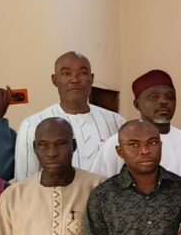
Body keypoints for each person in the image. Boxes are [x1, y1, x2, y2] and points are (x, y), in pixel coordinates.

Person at [16, 51, 126, 179]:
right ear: (54, 80)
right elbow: (25, 181)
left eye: (82, 73)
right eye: (66, 73)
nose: (75, 80)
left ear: (91, 78)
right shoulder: (32, 124)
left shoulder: (116, 122)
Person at [103, 69, 181, 182]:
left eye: (170, 96)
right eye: (154, 97)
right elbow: (101, 184)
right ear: (137, 104)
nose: (163, 101)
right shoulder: (118, 143)